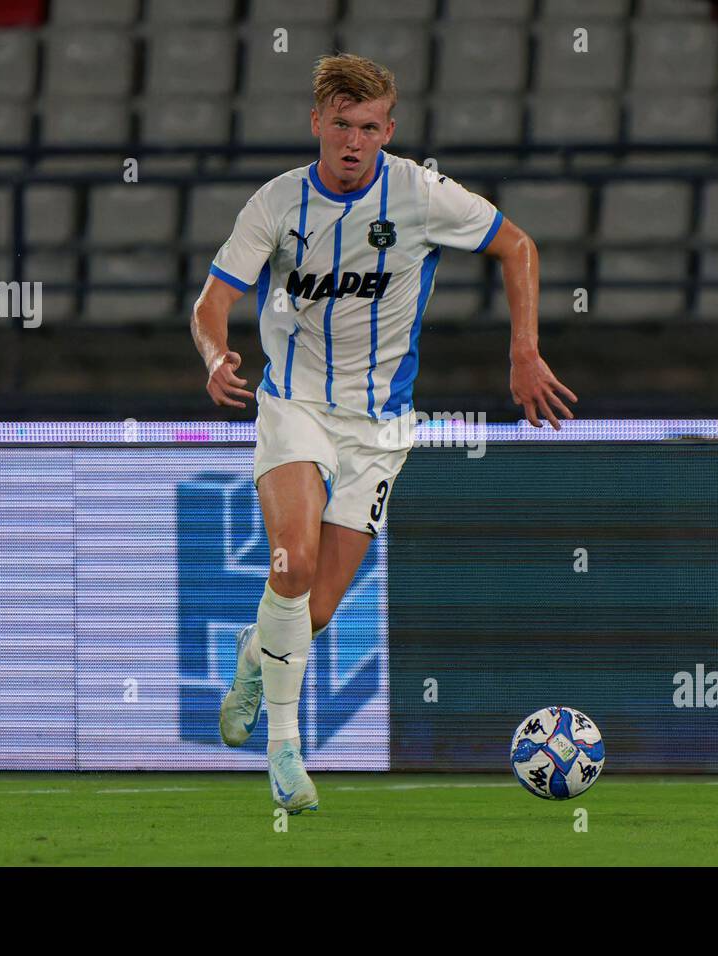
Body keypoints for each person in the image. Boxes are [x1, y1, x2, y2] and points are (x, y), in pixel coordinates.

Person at [190, 53, 576, 813]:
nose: (353, 140)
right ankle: (286, 752)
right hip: (293, 405)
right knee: (291, 564)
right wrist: (214, 355)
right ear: (317, 124)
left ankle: (250, 661)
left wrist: (524, 351)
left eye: (369, 127)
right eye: (341, 124)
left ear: (388, 131)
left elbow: (517, 246)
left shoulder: (419, 194)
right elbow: (213, 301)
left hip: (381, 427)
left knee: (317, 609)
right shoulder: (274, 204)